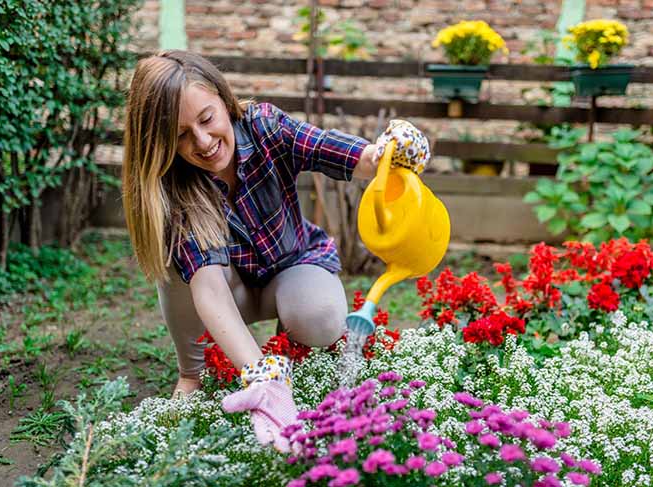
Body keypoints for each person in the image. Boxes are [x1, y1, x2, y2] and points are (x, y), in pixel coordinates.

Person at [121, 50, 430, 452]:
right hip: (230, 292)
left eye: (207, 119)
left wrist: (389, 155)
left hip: (292, 265)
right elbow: (211, 291)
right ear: (161, 143)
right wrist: (263, 380)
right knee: (177, 277)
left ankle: (292, 343)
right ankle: (191, 375)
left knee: (321, 317)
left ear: (222, 98)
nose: (202, 141)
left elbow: (334, 151)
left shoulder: (264, 126)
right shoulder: (175, 188)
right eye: (180, 135)